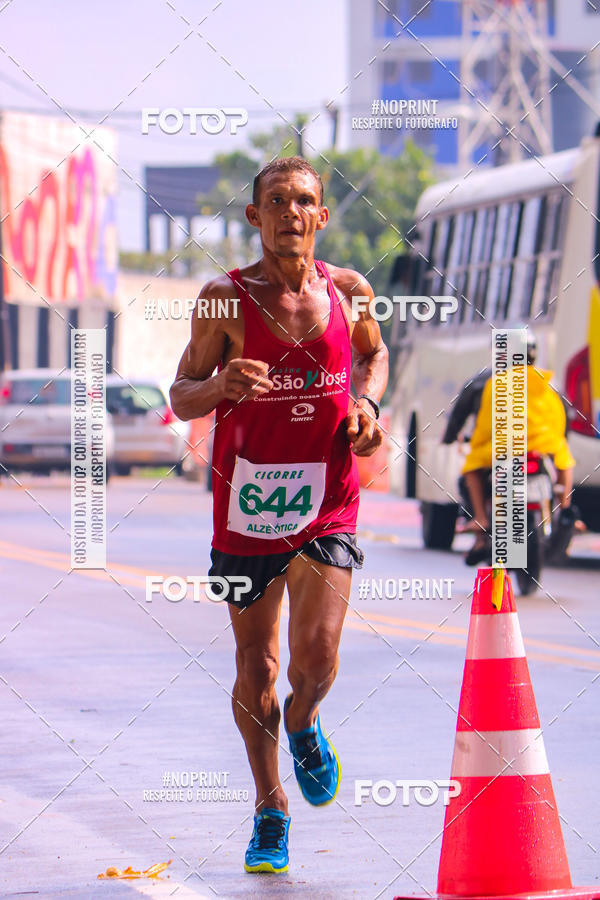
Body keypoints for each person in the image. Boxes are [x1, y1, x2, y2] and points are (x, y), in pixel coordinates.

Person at [170, 156, 388, 874]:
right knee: (254, 662)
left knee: (316, 659)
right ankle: (270, 807)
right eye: (276, 201)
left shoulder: (350, 292)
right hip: (249, 509)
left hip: (328, 504)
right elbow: (182, 393)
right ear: (254, 218)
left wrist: (368, 405)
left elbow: (375, 358)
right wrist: (220, 384)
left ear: (322, 216)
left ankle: (305, 720)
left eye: (304, 201)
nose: (291, 212)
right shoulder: (221, 301)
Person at [460, 331, 575, 565]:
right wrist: (555, 440)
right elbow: (559, 420)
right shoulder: (547, 381)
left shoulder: (495, 383)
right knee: (565, 460)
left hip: (502, 449)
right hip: (543, 447)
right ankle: (565, 509)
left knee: (471, 469)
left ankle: (481, 518)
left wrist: (476, 443)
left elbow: (485, 424)